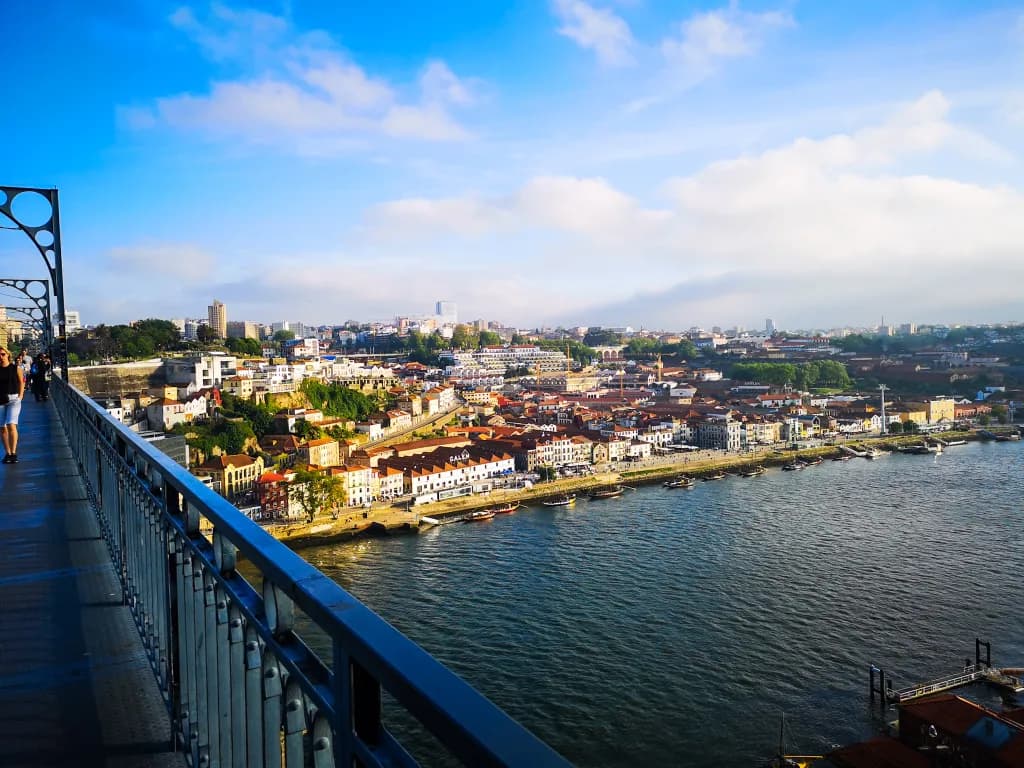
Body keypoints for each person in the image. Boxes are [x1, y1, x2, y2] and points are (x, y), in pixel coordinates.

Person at [0, 346, 26, 464]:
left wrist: (20, 396)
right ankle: (8, 453)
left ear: (8, 355)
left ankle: (14, 453)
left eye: (3, 354)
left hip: (14, 399)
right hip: (0, 400)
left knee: (11, 424)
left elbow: (21, 382)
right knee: (2, 427)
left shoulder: (16, 368)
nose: (1, 357)